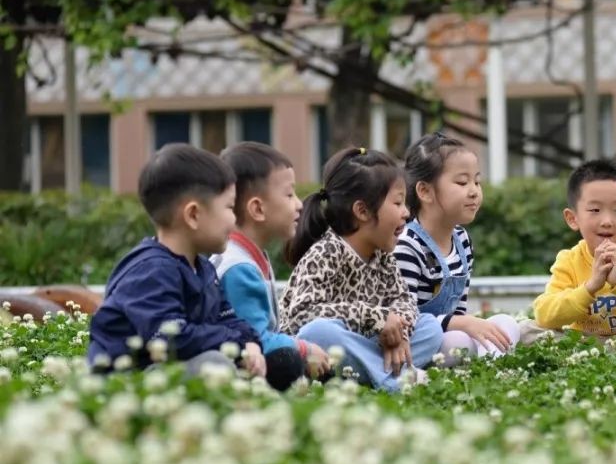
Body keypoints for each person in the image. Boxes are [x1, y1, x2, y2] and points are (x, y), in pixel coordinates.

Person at [88, 144, 266, 378]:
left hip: (171, 370)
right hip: (128, 379)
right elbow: (170, 337)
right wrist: (235, 342)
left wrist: (250, 342)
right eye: (229, 207)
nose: (234, 221)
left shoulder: (204, 269)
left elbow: (229, 319)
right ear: (193, 215)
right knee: (214, 366)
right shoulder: (151, 271)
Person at [279, 146, 443, 391]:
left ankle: (373, 371)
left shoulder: (383, 255)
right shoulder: (326, 253)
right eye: (398, 203)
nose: (406, 213)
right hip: (316, 353)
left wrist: (399, 331)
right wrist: (377, 318)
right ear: (362, 211)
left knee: (430, 327)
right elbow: (301, 315)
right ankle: (392, 379)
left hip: (362, 346)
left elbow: (403, 300)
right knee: (319, 331)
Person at [520, 158, 616, 344]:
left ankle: (607, 353)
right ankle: (590, 354)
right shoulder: (569, 260)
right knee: (525, 330)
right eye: (595, 210)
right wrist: (590, 287)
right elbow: (544, 313)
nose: (607, 221)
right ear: (573, 218)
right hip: (582, 342)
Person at [212, 142, 332, 390]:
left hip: (253, 357)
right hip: (238, 365)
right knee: (287, 362)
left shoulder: (253, 254)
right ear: (257, 208)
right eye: (289, 195)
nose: (299, 204)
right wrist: (303, 348)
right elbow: (254, 339)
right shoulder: (238, 267)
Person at [394, 132, 520, 366]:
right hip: (421, 341)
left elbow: (459, 307)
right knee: (459, 342)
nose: (474, 191)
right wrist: (461, 324)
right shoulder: (407, 245)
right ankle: (487, 365)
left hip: (453, 333)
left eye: (477, 181)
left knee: (506, 323)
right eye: (462, 182)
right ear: (425, 191)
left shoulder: (461, 239)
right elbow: (404, 320)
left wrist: (465, 323)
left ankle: (489, 367)